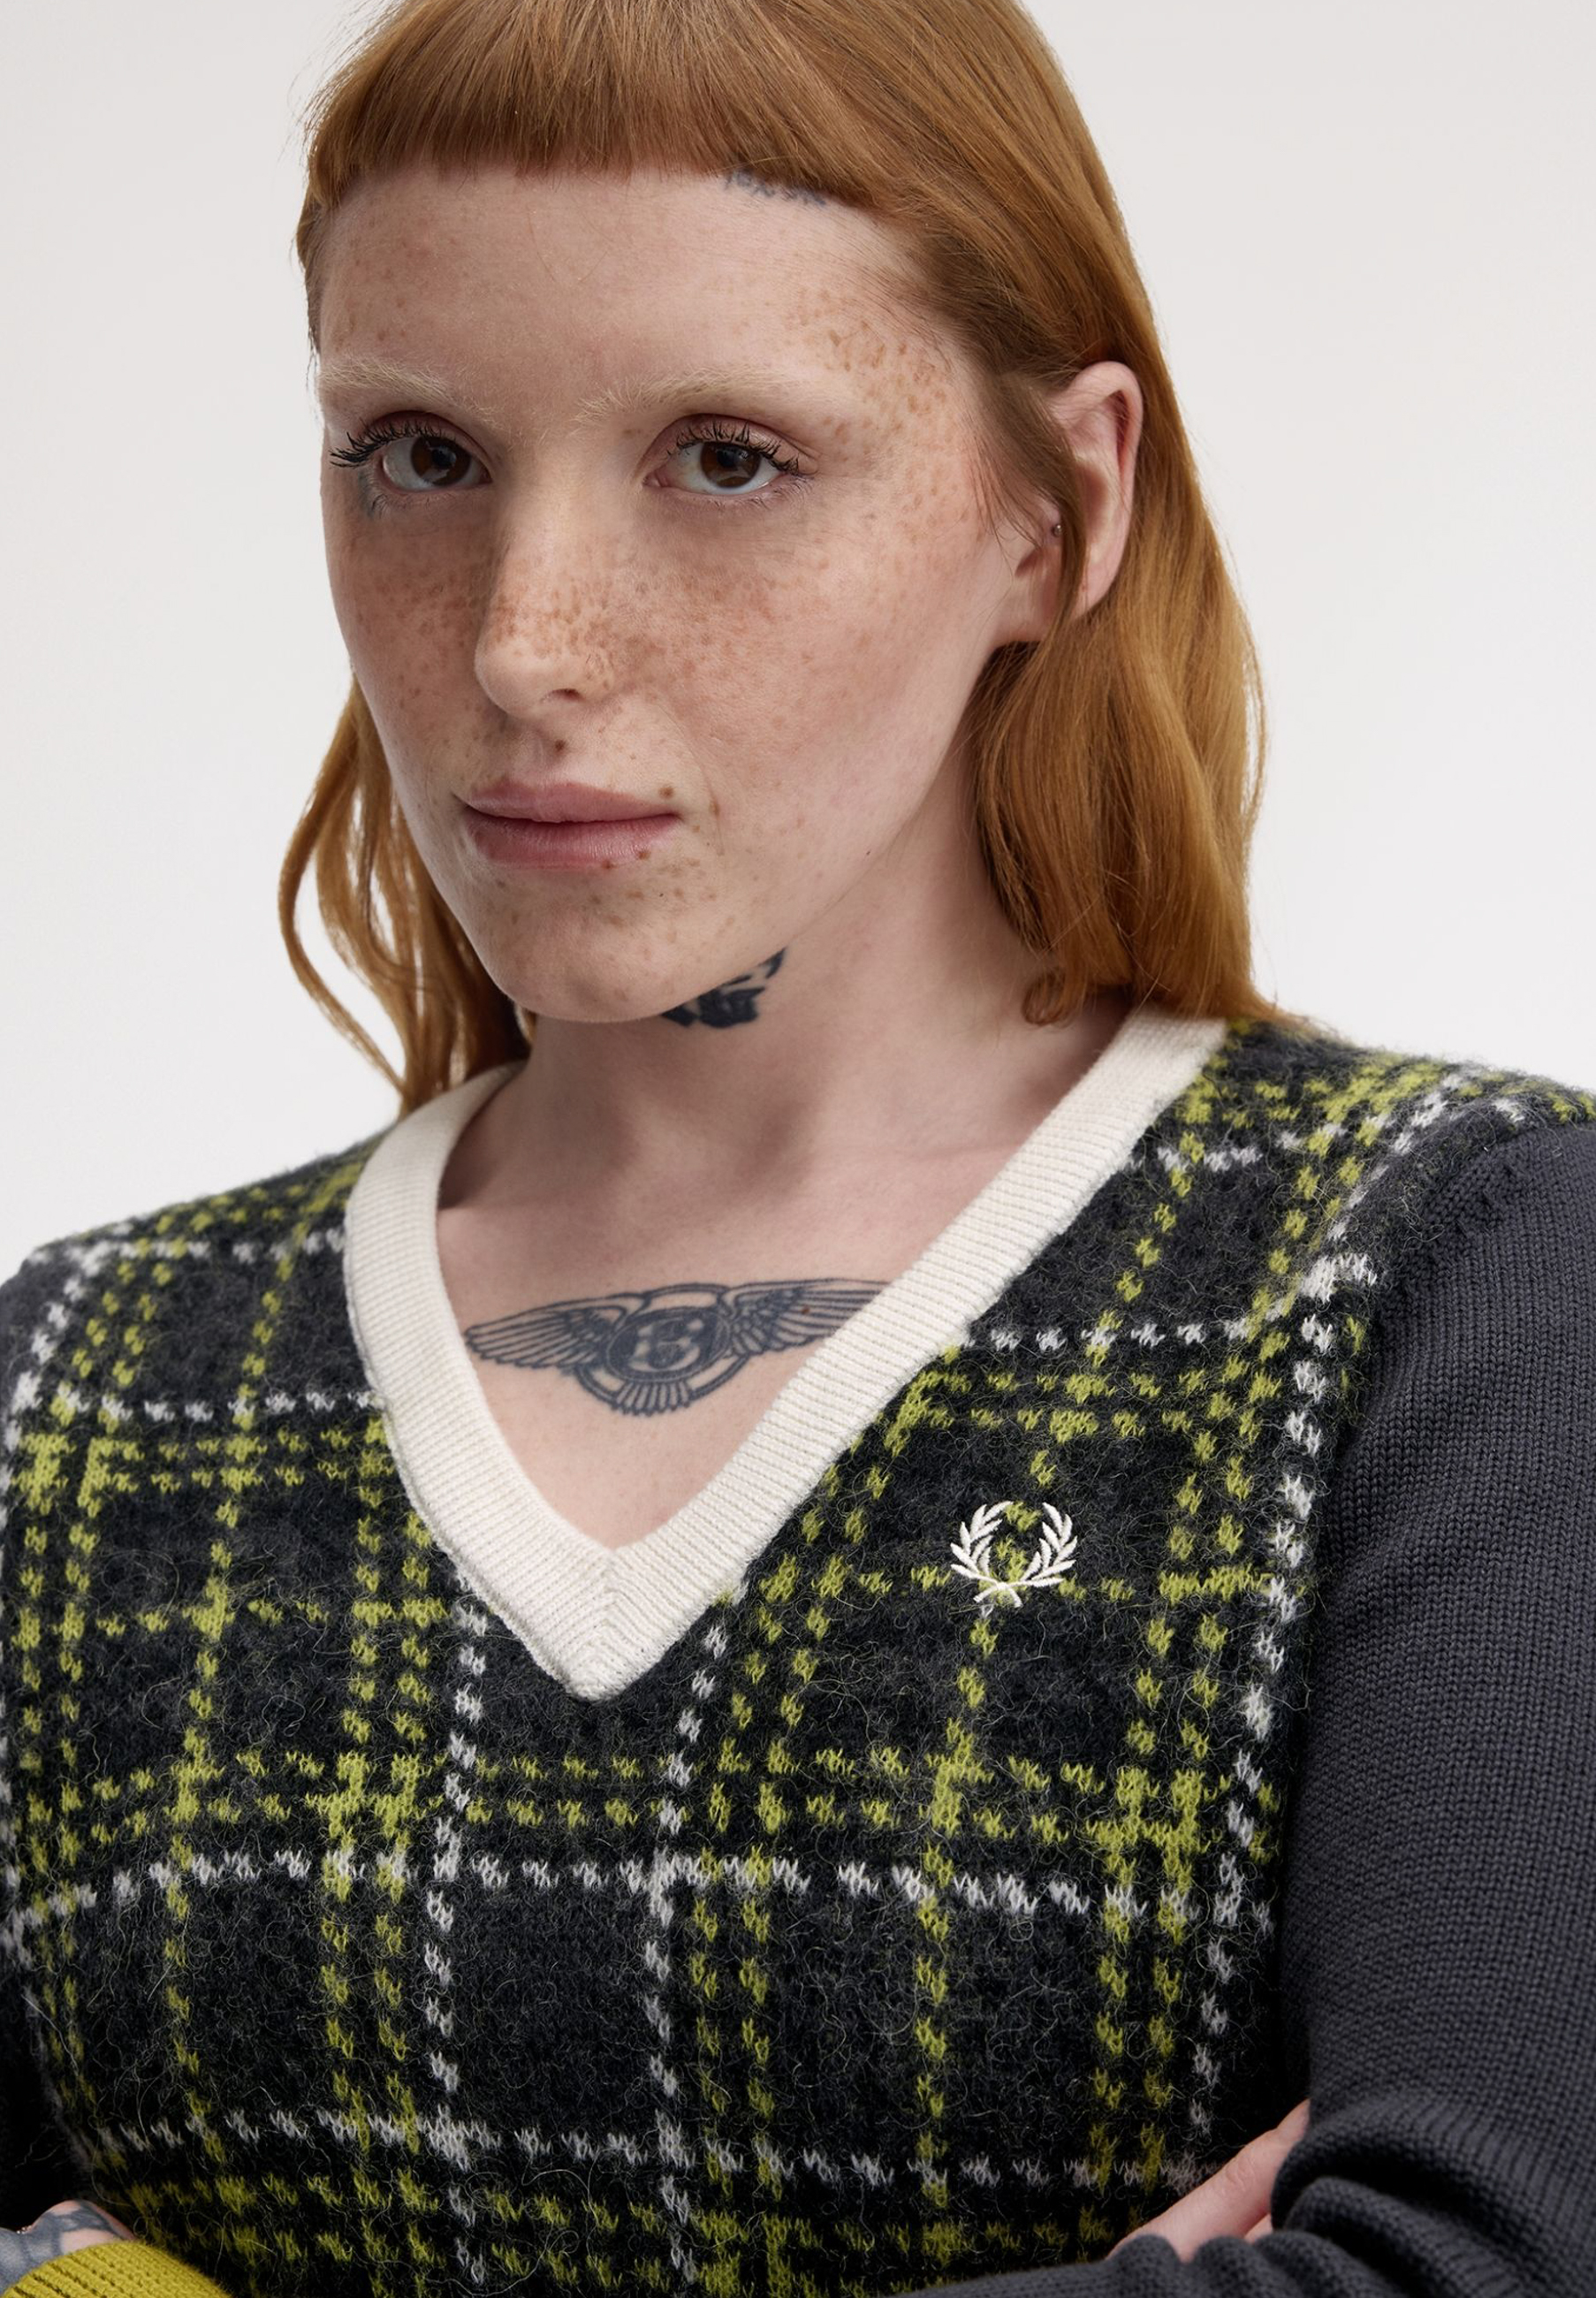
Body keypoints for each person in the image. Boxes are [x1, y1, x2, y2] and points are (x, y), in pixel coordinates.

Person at [2, 0, 1593, 2292]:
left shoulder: (1454, 1286)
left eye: (727, 458)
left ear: (1061, 510)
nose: (525, 645)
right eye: (420, 456)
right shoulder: (71, 1388)